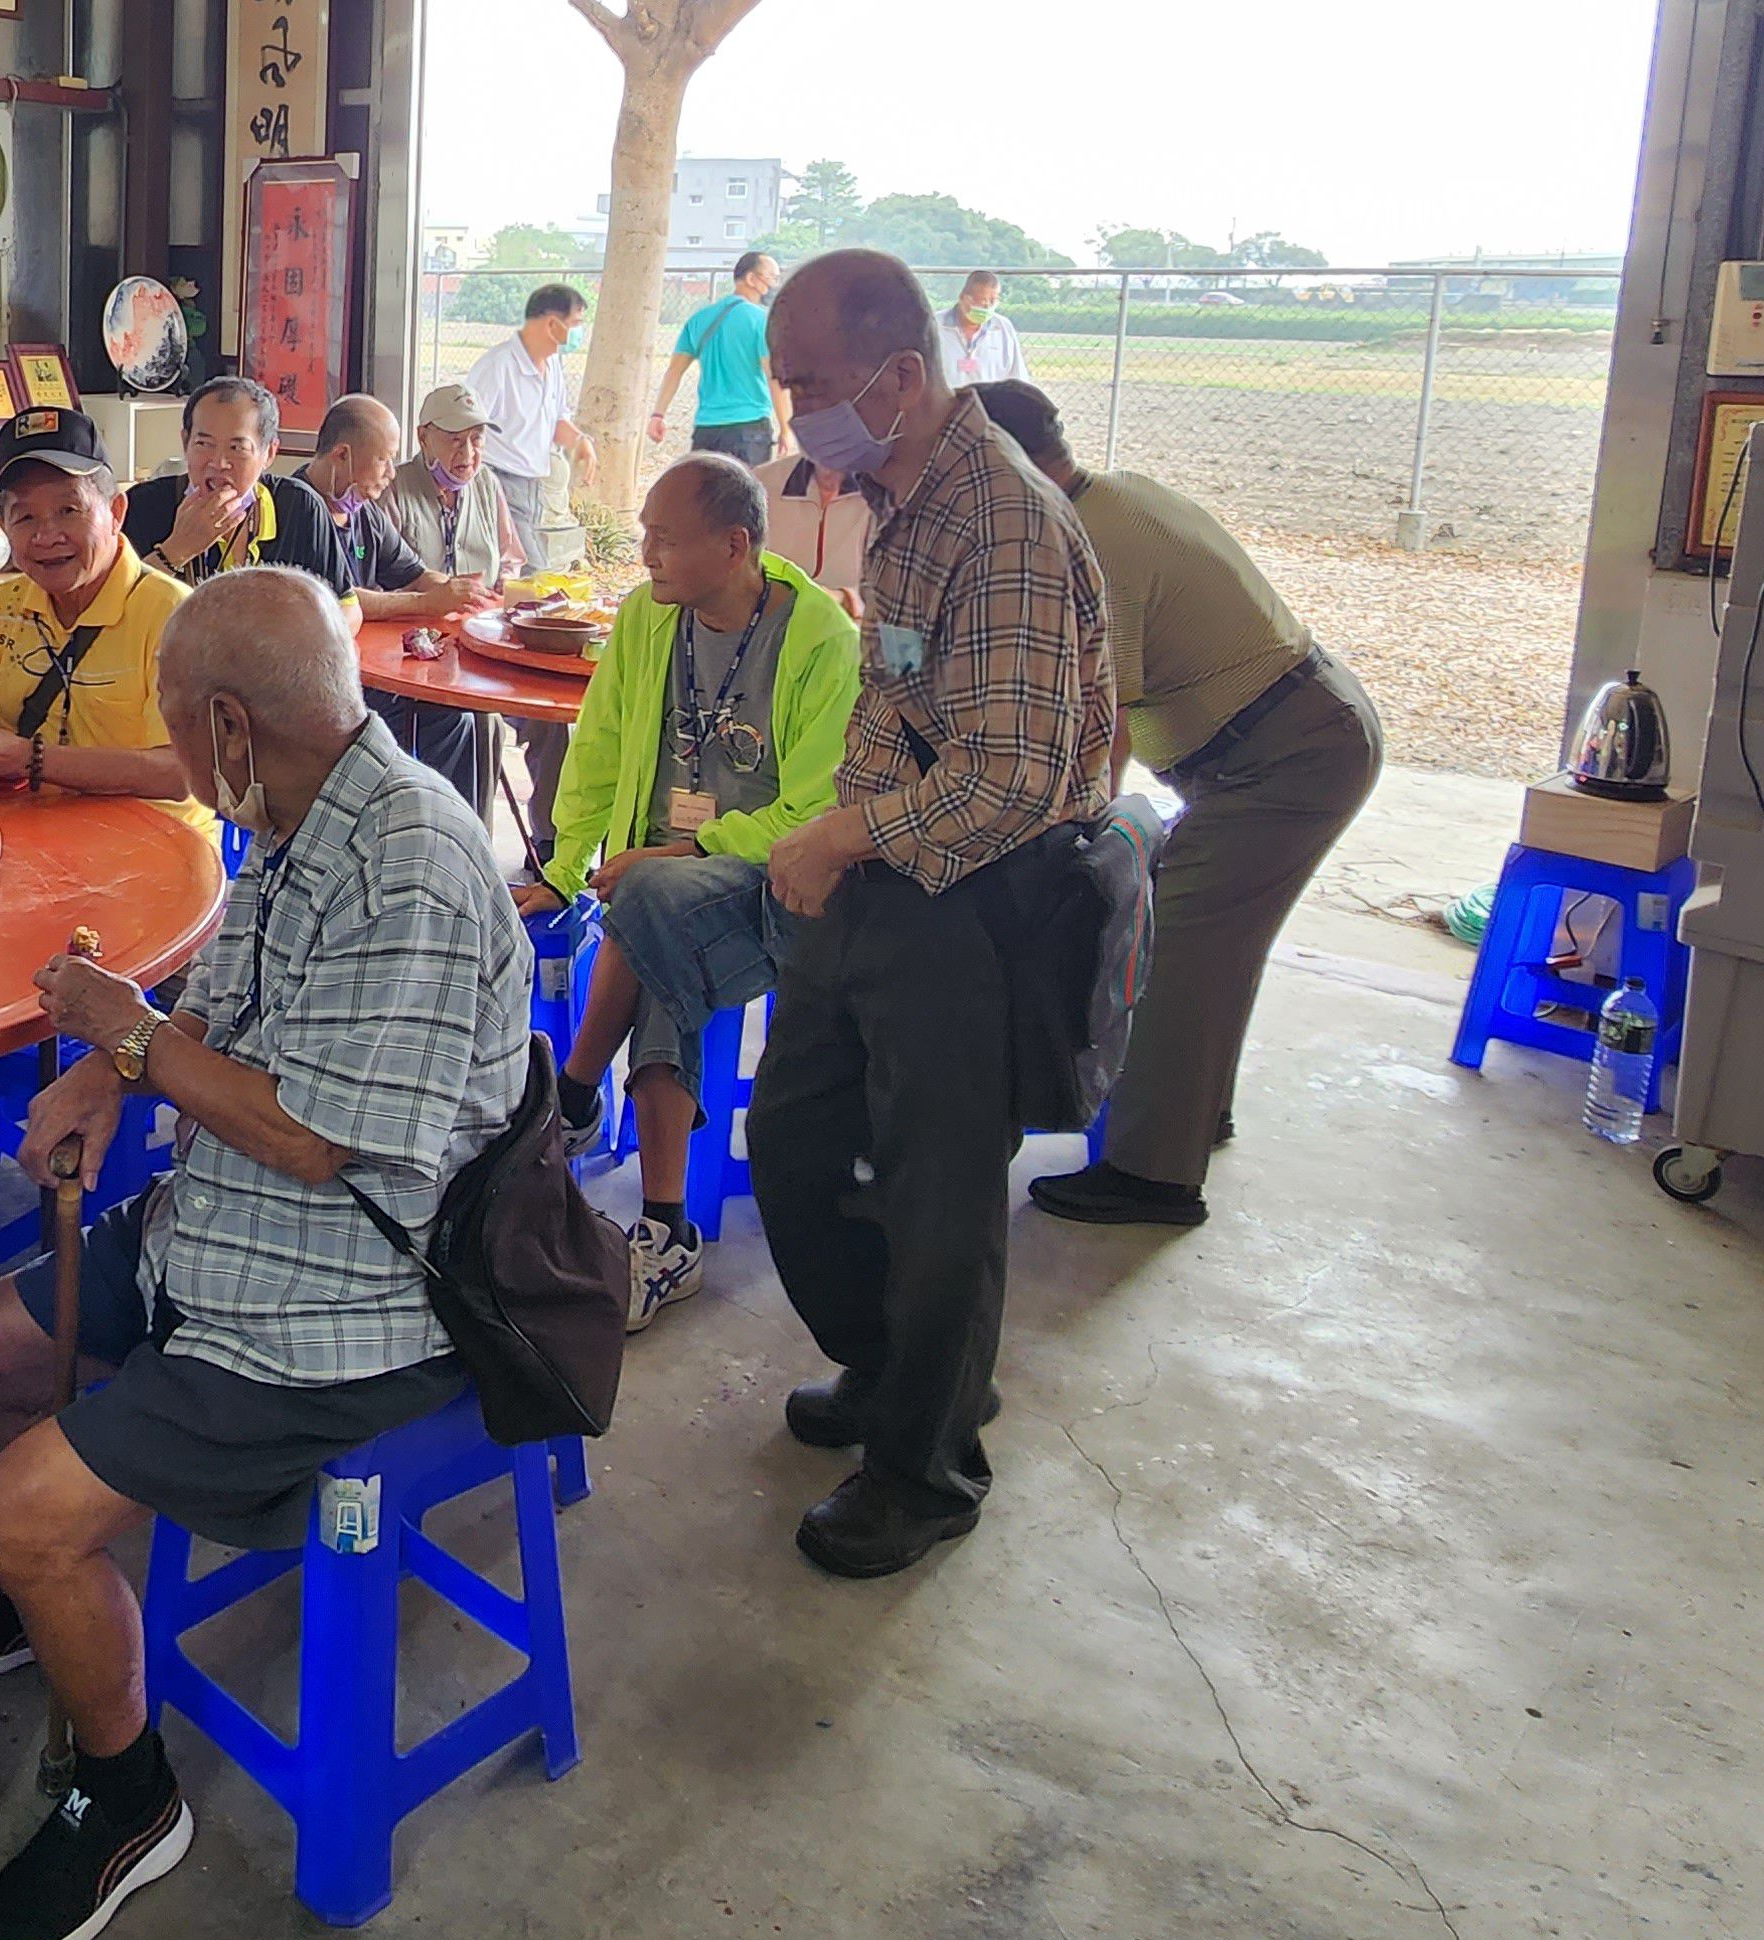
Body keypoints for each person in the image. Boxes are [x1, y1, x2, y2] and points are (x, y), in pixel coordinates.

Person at [0, 569, 527, 1940]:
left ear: (228, 727)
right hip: (228, 1224)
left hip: (354, 1310)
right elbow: (226, 998)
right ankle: (67, 1595)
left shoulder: (412, 863)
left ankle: (130, 1794)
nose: (186, 766)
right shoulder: (303, 812)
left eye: (183, 741)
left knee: (19, 1513)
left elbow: (315, 1141)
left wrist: (127, 1039)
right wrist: (103, 1072)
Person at [747, 249, 1117, 1580]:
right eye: (786, 386)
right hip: (885, 876)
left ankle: (927, 1463)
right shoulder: (899, 491)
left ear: (903, 377)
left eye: (814, 386)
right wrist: (838, 829)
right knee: (795, 1134)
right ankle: (906, 1365)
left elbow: (1011, 779)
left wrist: (843, 832)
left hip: (978, 893)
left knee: (940, 1181)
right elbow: (899, 697)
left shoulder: (998, 519)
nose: (796, 416)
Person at [977, 381, 1384, 1228]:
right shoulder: (1111, 493)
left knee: (1171, 942)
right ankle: (1197, 1112)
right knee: (1212, 942)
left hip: (1286, 757)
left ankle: (1154, 1176)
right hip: (1296, 736)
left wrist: (1079, 833)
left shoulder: (1092, 538)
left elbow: (1104, 717)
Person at [518, 454, 852, 1328]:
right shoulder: (645, 618)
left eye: (664, 540)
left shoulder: (820, 638)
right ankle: (664, 1227)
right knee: (658, 910)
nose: (646, 555)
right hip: (658, 892)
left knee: (656, 901)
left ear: (735, 545)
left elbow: (820, 807)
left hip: (780, 888)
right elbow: (597, 748)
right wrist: (562, 868)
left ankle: (575, 1093)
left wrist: (691, 845)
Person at [0, 402, 197, 814]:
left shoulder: (176, 615)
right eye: (25, 517)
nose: (46, 535)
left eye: (68, 510)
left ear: (115, 513)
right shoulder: (1, 606)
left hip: (157, 845)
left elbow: (180, 774)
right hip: (37, 832)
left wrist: (31, 759)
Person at [297, 391, 494, 812]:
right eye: (384, 459)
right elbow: (339, 600)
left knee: (469, 719)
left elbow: (414, 574)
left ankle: (465, 843)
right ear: (343, 455)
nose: (390, 474)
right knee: (450, 721)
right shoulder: (299, 509)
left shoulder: (363, 509)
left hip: (379, 669)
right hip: (330, 685)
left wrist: (461, 592)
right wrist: (425, 605)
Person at [121, 375, 335, 585]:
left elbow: (346, 606)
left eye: (237, 448)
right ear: (185, 442)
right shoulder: (143, 504)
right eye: (204, 444)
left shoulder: (300, 506)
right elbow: (118, 608)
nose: (218, 462)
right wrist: (177, 549)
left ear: (269, 453)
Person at [463, 282, 592, 575]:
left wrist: (580, 441)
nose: (579, 333)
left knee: (511, 573)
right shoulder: (498, 366)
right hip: (498, 480)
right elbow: (467, 424)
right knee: (533, 573)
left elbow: (557, 420)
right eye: (576, 324)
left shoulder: (553, 365)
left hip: (533, 485)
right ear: (551, 324)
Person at [380, 382, 522, 587]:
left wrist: (505, 582)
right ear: (423, 438)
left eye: (476, 439)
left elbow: (510, 558)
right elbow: (379, 574)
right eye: (455, 439)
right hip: (417, 614)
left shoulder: (487, 483)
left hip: (480, 613)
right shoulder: (394, 488)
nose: (468, 453)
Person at [649, 249, 784, 463]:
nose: (775, 286)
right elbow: (774, 377)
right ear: (751, 278)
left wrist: (658, 415)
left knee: (707, 495)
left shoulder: (699, 320)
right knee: (747, 495)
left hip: (706, 430)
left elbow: (674, 372)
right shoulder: (762, 321)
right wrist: (786, 427)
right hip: (748, 428)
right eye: (772, 278)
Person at [767, 452, 875, 608]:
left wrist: (847, 597)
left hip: (851, 622)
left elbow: (896, 585)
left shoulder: (885, 491)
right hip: (772, 617)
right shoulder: (763, 481)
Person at [941, 270, 1025, 390]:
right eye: (982, 301)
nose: (987, 307)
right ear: (963, 298)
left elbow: (1018, 378)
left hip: (990, 405)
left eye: (993, 301)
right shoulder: (934, 326)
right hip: (946, 404)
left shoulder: (1003, 328)